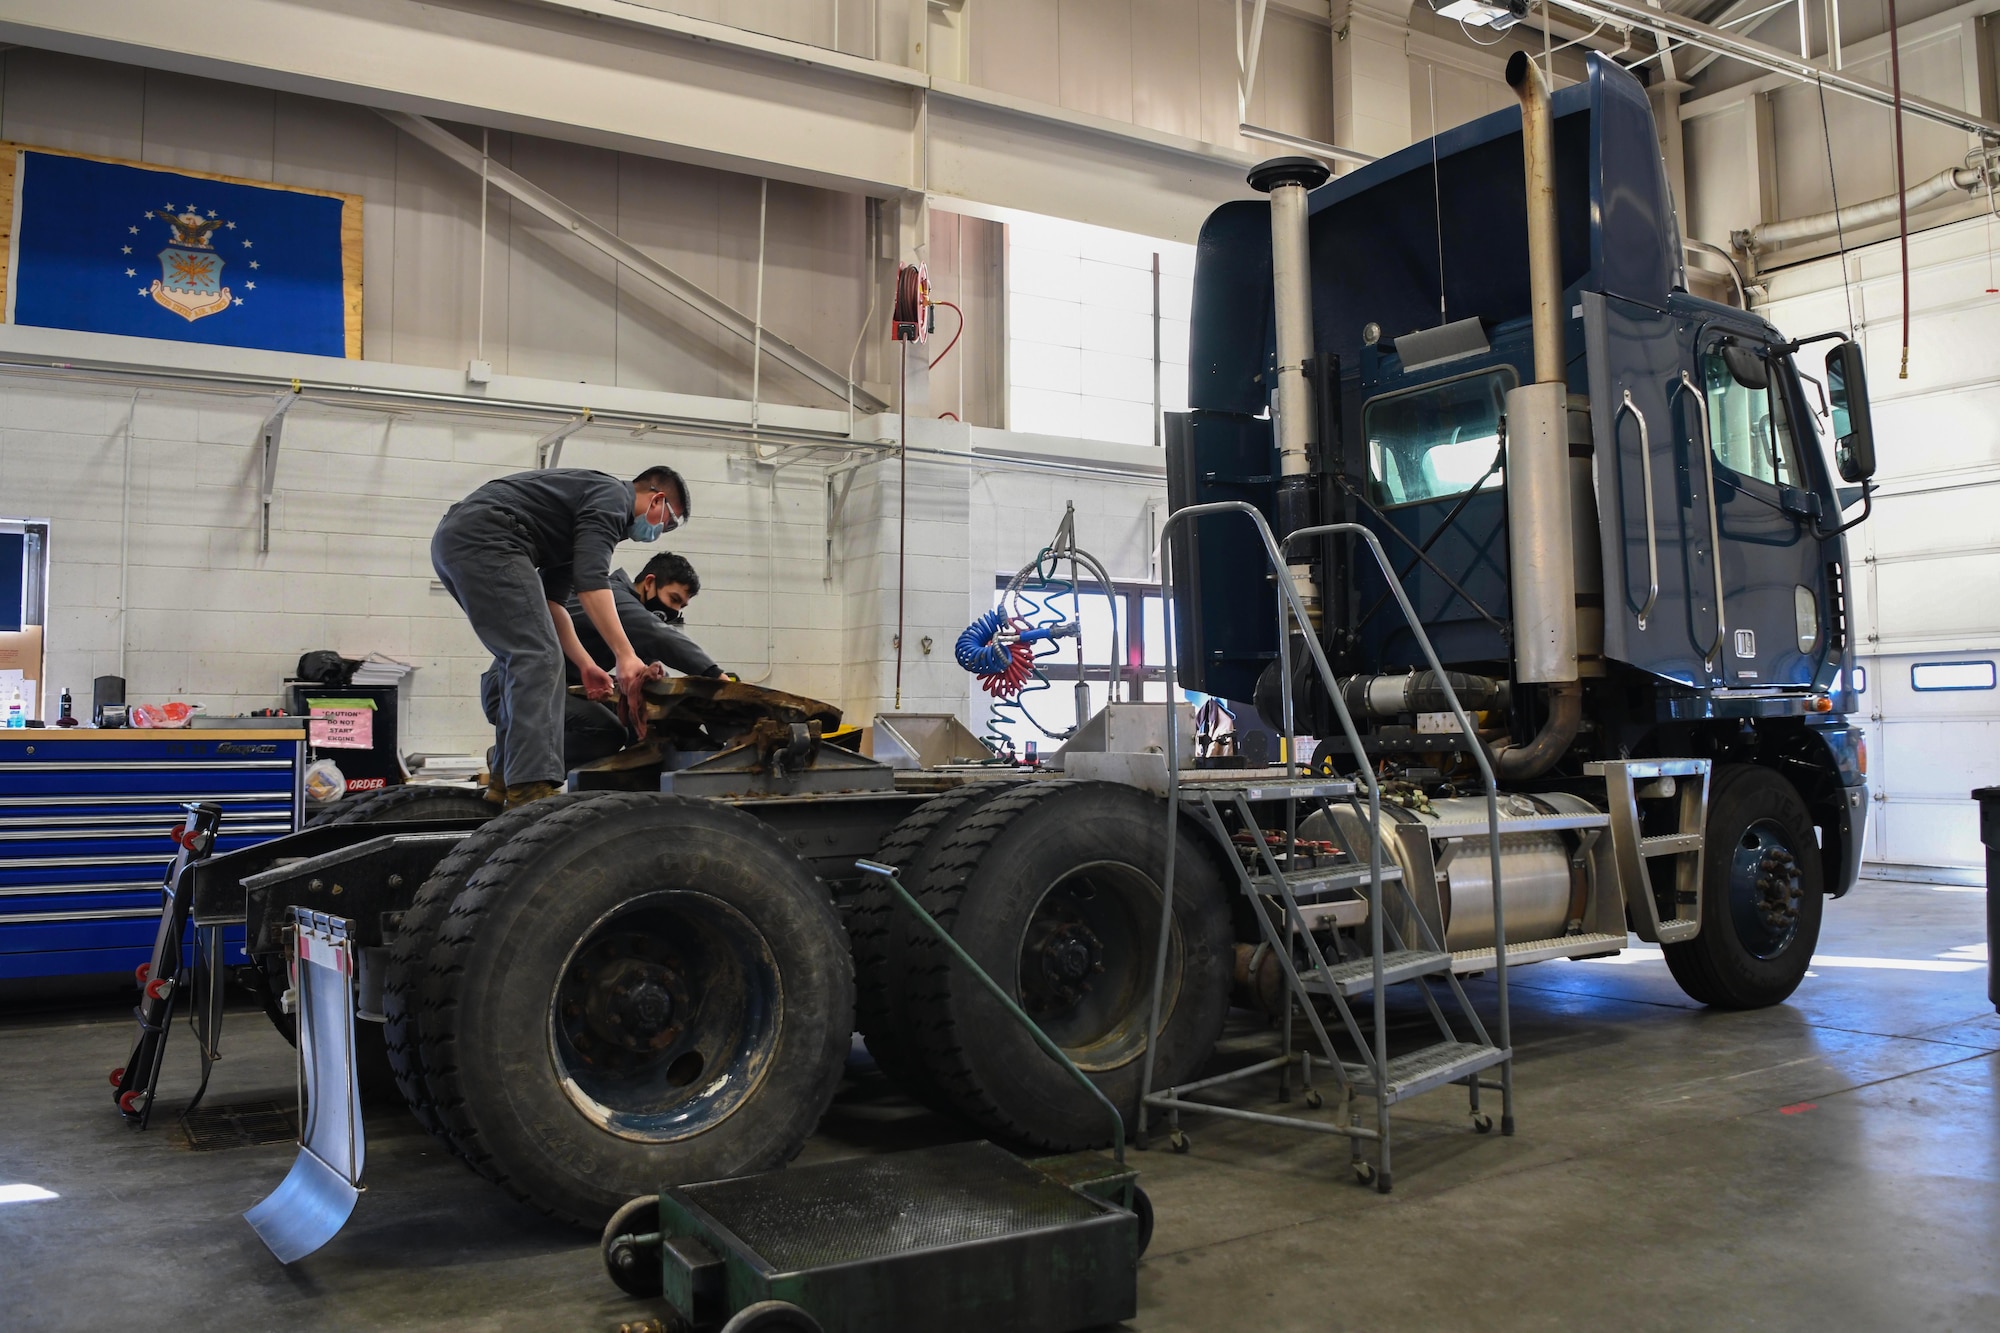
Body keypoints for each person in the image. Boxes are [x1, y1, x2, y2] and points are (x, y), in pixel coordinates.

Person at [432, 464, 688, 809]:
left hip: (463, 537)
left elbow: (555, 605)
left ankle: (505, 781)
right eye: (667, 522)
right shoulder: (612, 497)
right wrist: (626, 656)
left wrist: (585, 664)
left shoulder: (574, 527)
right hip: (489, 534)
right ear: (657, 499)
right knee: (536, 656)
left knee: (523, 657)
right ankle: (530, 787)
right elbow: (592, 582)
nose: (661, 531)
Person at [476, 551, 725, 780]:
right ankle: (510, 761)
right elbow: (657, 635)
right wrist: (715, 675)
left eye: (681, 606)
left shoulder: (633, 620)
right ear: (649, 583)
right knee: (604, 730)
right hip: (514, 686)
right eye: (673, 599)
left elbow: (651, 660)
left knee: (636, 723)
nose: (673, 611)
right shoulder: (615, 597)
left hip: (547, 686)